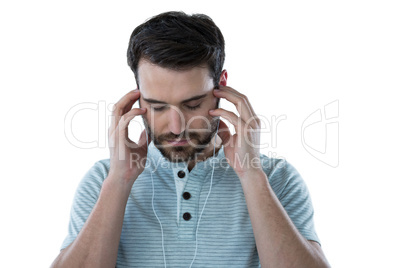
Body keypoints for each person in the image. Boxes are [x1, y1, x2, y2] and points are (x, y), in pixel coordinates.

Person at [51, 11, 331, 268]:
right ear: (137, 95)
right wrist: (119, 181)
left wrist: (251, 173)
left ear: (221, 87)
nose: (175, 127)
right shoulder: (104, 179)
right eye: (158, 107)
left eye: (193, 104)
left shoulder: (275, 178)